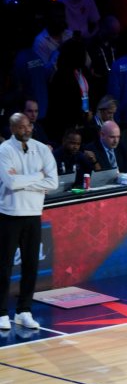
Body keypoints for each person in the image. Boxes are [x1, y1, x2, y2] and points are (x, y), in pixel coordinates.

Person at [0, 114, 57, 331]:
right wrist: (37, 177)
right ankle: (2, 312)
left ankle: (24, 311)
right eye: (21, 126)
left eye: (28, 125)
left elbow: (52, 182)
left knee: (31, 266)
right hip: (9, 214)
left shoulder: (41, 149)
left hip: (33, 213)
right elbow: (11, 183)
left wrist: (28, 180)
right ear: (12, 128)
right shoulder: (4, 150)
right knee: (4, 266)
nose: (26, 129)